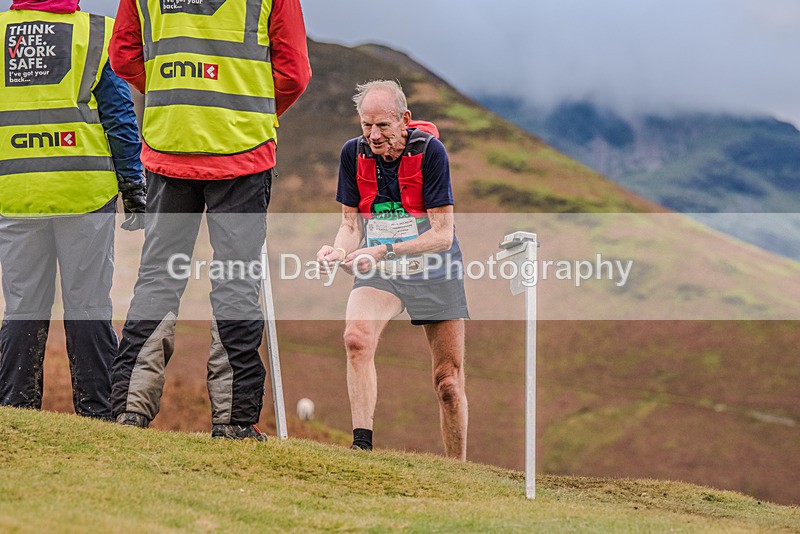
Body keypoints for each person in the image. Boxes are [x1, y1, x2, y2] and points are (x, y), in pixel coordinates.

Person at [108, 0, 311, 439]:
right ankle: (234, 421)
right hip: (242, 151)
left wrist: (171, 96)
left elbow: (124, 54)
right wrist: (253, 108)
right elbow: (294, 72)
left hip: (169, 145)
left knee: (157, 277)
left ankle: (129, 410)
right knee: (236, 280)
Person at [0, 0, 146, 419]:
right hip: (83, 191)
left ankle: (14, 409)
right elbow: (119, 117)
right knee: (88, 306)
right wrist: (133, 186)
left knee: (23, 306)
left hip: (15, 192)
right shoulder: (96, 33)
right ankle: (97, 412)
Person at [316, 80, 469, 459]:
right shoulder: (352, 155)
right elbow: (351, 227)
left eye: (382, 126)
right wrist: (336, 251)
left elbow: (442, 235)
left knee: (447, 382)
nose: (373, 135)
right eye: (366, 125)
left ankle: (459, 471)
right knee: (356, 339)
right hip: (381, 267)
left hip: (434, 267)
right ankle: (361, 447)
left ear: (405, 120)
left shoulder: (431, 152)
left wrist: (384, 250)